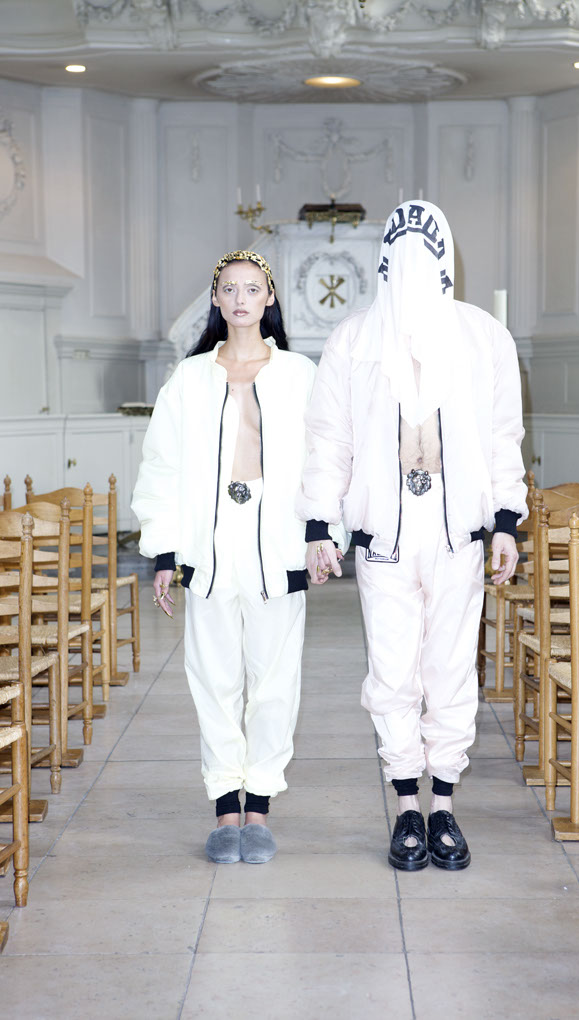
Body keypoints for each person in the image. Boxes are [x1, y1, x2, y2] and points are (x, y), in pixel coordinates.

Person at [297, 201, 527, 872]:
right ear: (384, 264)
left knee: (451, 668)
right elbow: (329, 438)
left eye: (427, 258)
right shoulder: (353, 340)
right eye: (401, 259)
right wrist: (320, 525)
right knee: (392, 670)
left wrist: (505, 521)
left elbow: (502, 436)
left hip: (458, 531)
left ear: (446, 262)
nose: (413, 271)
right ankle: (405, 805)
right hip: (385, 533)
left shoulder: (484, 338)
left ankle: (444, 804)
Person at [132, 250, 346, 865]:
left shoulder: (299, 374)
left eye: (253, 288)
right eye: (230, 289)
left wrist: (321, 533)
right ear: (217, 299)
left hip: (278, 545)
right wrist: (164, 551)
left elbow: (326, 457)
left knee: (275, 684)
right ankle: (226, 809)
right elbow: (162, 466)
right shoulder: (189, 378)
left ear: (270, 296)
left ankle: (260, 809)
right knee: (214, 681)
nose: (242, 299)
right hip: (210, 546)